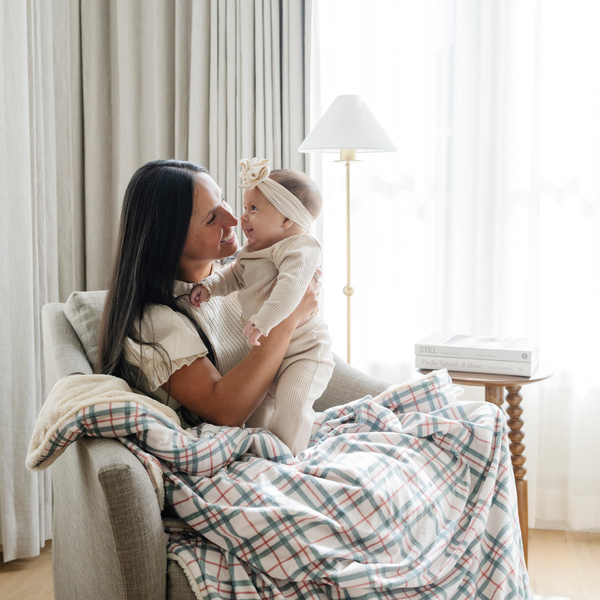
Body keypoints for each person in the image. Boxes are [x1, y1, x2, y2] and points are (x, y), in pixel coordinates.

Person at [96, 159, 321, 434]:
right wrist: (288, 319)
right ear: (169, 237)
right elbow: (225, 411)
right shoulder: (154, 323)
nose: (234, 219)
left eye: (224, 201)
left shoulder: (240, 275)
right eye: (212, 217)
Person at [188, 158, 334, 454]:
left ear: (286, 220)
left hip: (304, 350)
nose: (242, 217)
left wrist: (264, 321)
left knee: (292, 407)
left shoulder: (301, 248)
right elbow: (234, 274)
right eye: (245, 207)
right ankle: (261, 459)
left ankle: (288, 463)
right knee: (255, 417)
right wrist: (210, 287)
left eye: (253, 209)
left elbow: (291, 289)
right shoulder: (253, 252)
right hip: (268, 352)